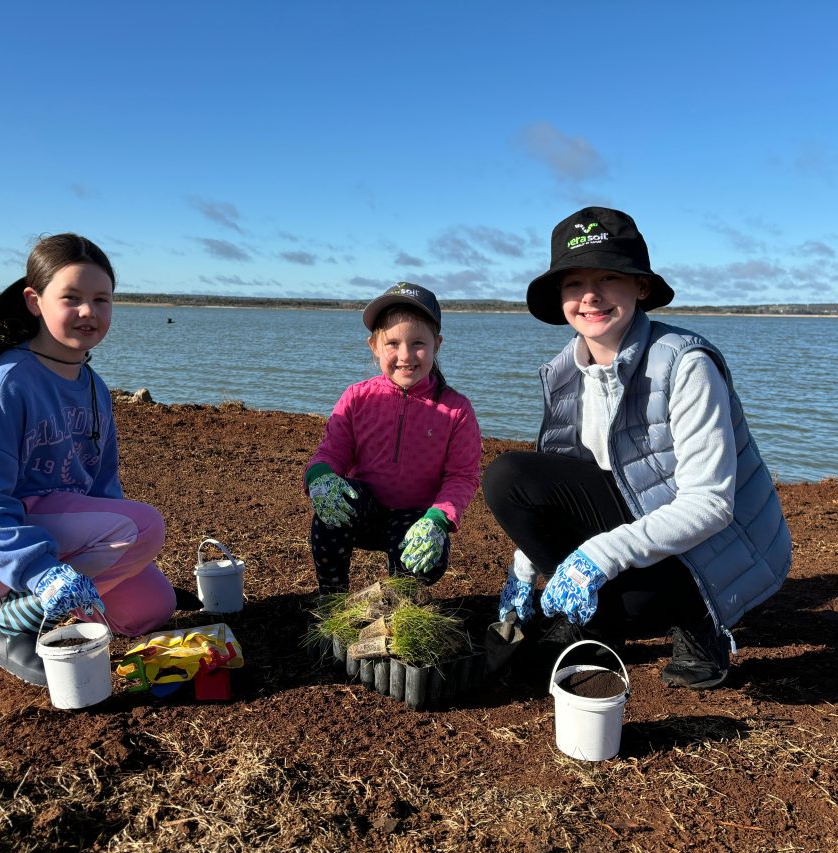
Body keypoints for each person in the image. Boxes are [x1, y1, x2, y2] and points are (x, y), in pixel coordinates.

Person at [482, 208, 791, 690]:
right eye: (573, 283)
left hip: (719, 549)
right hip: (639, 517)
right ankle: (600, 629)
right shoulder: (565, 371)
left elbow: (710, 504)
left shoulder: (687, 365)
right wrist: (523, 569)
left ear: (640, 287)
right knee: (509, 476)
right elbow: (566, 481)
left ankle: (701, 622)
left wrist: (597, 558)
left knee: (635, 601)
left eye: (609, 277)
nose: (590, 296)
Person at [0, 234, 177, 686]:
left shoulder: (93, 387)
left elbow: (101, 487)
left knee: (153, 608)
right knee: (146, 526)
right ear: (34, 301)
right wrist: (40, 571)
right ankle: (14, 623)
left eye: (101, 299)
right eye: (71, 298)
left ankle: (52, 603)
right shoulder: (6, 384)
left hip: (52, 527)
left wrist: (126, 559)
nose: (88, 312)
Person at [304, 282, 482, 595]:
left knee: (427, 561)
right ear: (374, 345)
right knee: (329, 515)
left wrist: (438, 519)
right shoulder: (358, 397)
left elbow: (462, 477)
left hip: (416, 520)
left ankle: (397, 607)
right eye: (393, 343)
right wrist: (320, 477)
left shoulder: (457, 409)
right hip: (364, 511)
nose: (405, 355)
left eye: (418, 343)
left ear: (437, 344)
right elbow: (331, 453)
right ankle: (331, 599)